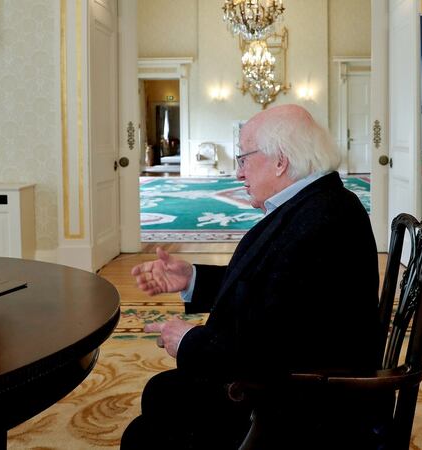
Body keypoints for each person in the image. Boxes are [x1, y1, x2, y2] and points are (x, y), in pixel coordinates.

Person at [121, 104, 385, 449]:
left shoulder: (322, 222)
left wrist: (190, 342)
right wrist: (192, 278)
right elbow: (270, 287)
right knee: (161, 393)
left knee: (143, 434)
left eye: (243, 158)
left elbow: (271, 352)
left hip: (300, 405)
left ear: (281, 160)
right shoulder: (318, 204)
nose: (238, 172)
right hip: (292, 379)